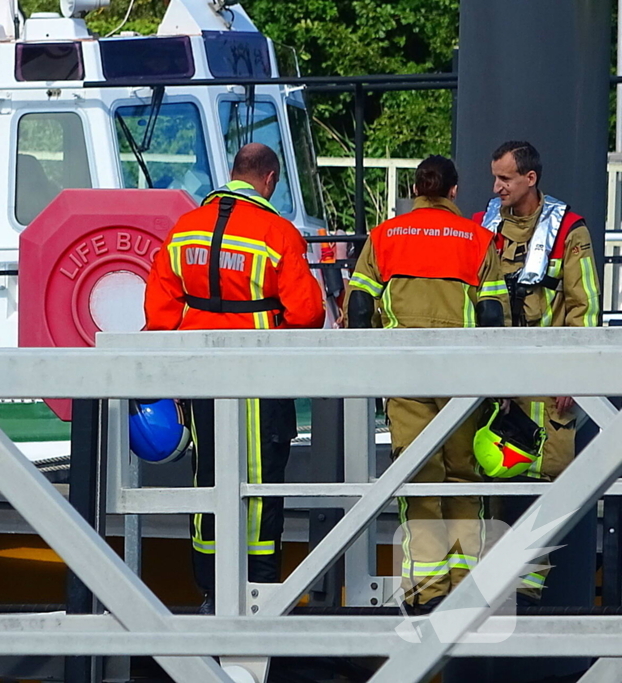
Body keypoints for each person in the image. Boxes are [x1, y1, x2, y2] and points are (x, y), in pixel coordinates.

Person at [144, 142, 326, 614]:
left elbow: (159, 316)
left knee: (208, 478)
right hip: (259, 379)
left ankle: (210, 589)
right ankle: (260, 593)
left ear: (233, 173)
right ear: (269, 179)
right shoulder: (277, 232)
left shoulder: (185, 229)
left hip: (201, 378)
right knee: (261, 487)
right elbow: (307, 314)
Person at [346, 156, 509, 615]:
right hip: (461, 374)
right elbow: (493, 316)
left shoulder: (384, 237)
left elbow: (359, 309)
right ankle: (470, 588)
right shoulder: (478, 240)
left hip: (405, 371)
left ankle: (425, 589)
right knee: (463, 476)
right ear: (454, 193)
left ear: (416, 190)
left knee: (417, 478)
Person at [472, 140, 602, 602]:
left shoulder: (569, 229)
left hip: (548, 385)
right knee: (489, 478)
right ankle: (491, 581)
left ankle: (526, 589)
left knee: (549, 481)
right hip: (497, 382)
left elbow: (585, 307)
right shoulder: (482, 225)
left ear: (531, 178)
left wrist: (572, 375)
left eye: (505, 178)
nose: (496, 187)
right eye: (494, 177)